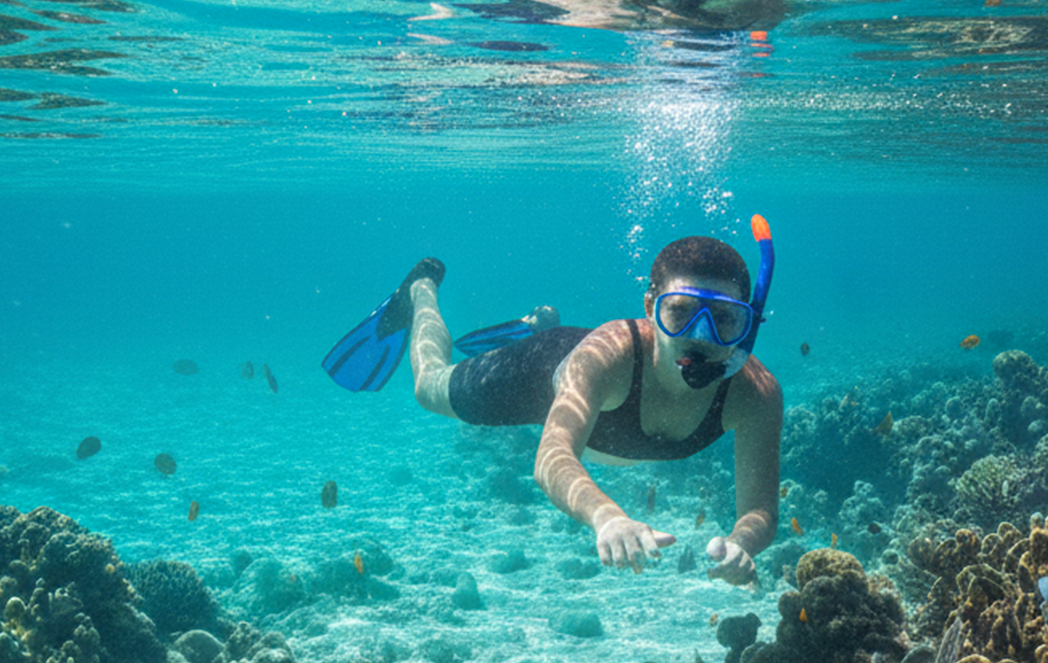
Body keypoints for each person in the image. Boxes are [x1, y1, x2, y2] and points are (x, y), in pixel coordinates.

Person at [322, 218, 783, 586]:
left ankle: (540, 320)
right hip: (543, 372)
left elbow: (760, 510)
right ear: (650, 307)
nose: (700, 337)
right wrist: (606, 518)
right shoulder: (612, 359)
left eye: (724, 319)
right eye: (680, 312)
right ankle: (421, 289)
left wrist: (743, 543)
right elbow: (552, 456)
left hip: (584, 366)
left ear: (749, 325)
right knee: (429, 388)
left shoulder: (756, 394)